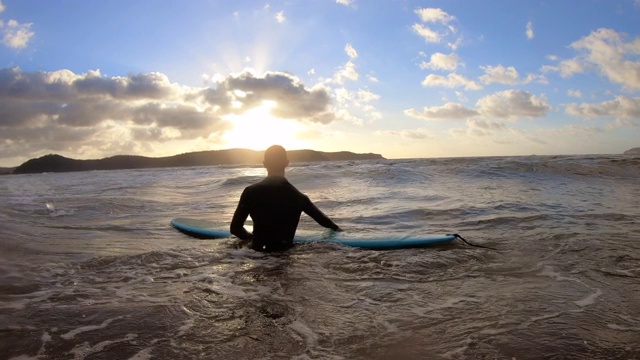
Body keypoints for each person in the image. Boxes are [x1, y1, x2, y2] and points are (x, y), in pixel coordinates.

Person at [231, 145, 342, 252]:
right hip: (284, 257)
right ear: (286, 163)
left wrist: (251, 237)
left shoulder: (251, 192)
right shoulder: (299, 197)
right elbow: (326, 222)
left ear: (264, 164)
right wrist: (340, 231)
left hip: (258, 254)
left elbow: (235, 229)